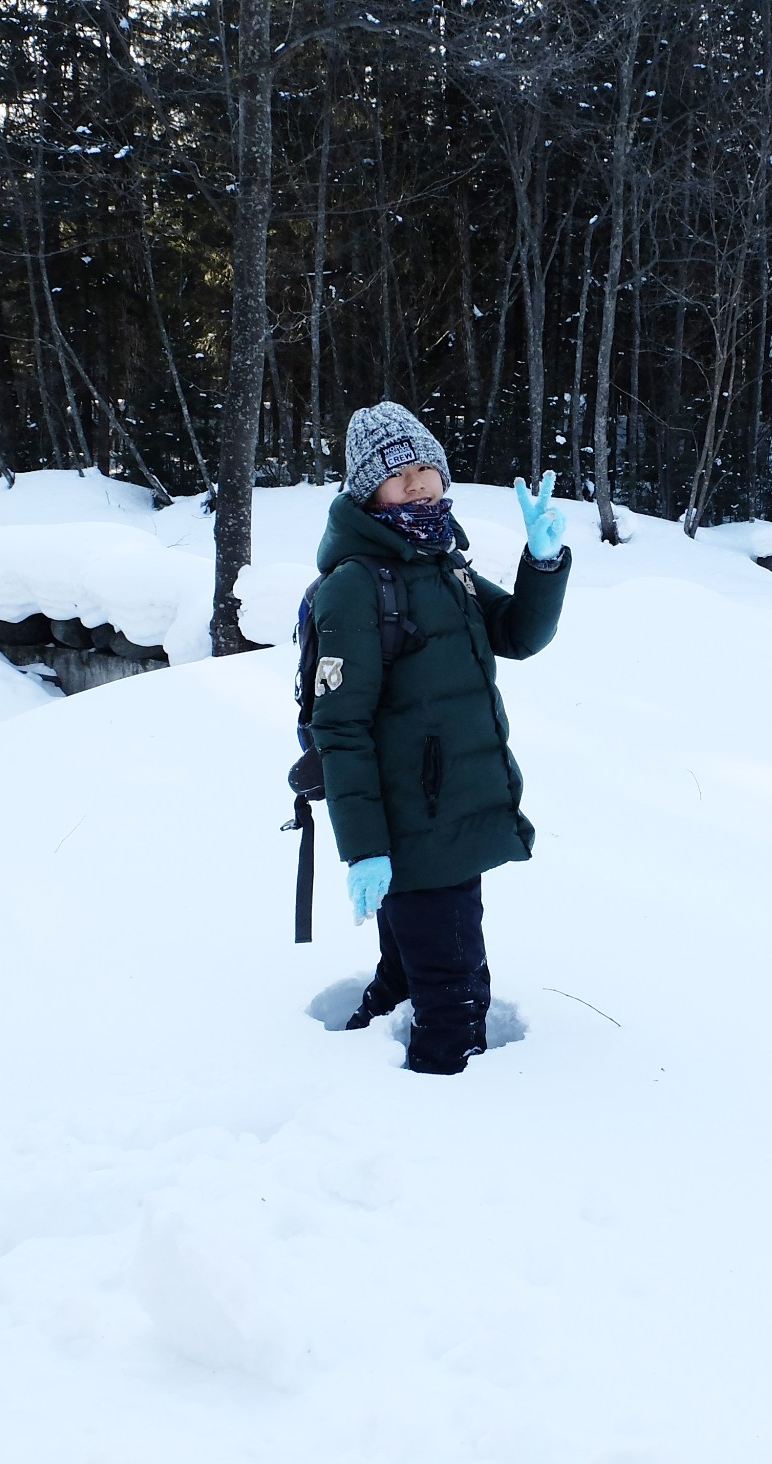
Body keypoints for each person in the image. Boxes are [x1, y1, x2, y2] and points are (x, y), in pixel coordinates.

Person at [308, 402, 570, 1074]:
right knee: (455, 998)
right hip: (416, 827)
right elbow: (341, 728)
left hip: (453, 815)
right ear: (369, 489)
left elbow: (516, 634)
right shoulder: (356, 588)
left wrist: (543, 565)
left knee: (406, 972)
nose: (421, 483)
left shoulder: (442, 563)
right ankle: (437, 1121)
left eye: (428, 467)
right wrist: (364, 849)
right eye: (402, 474)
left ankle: (347, 1060)